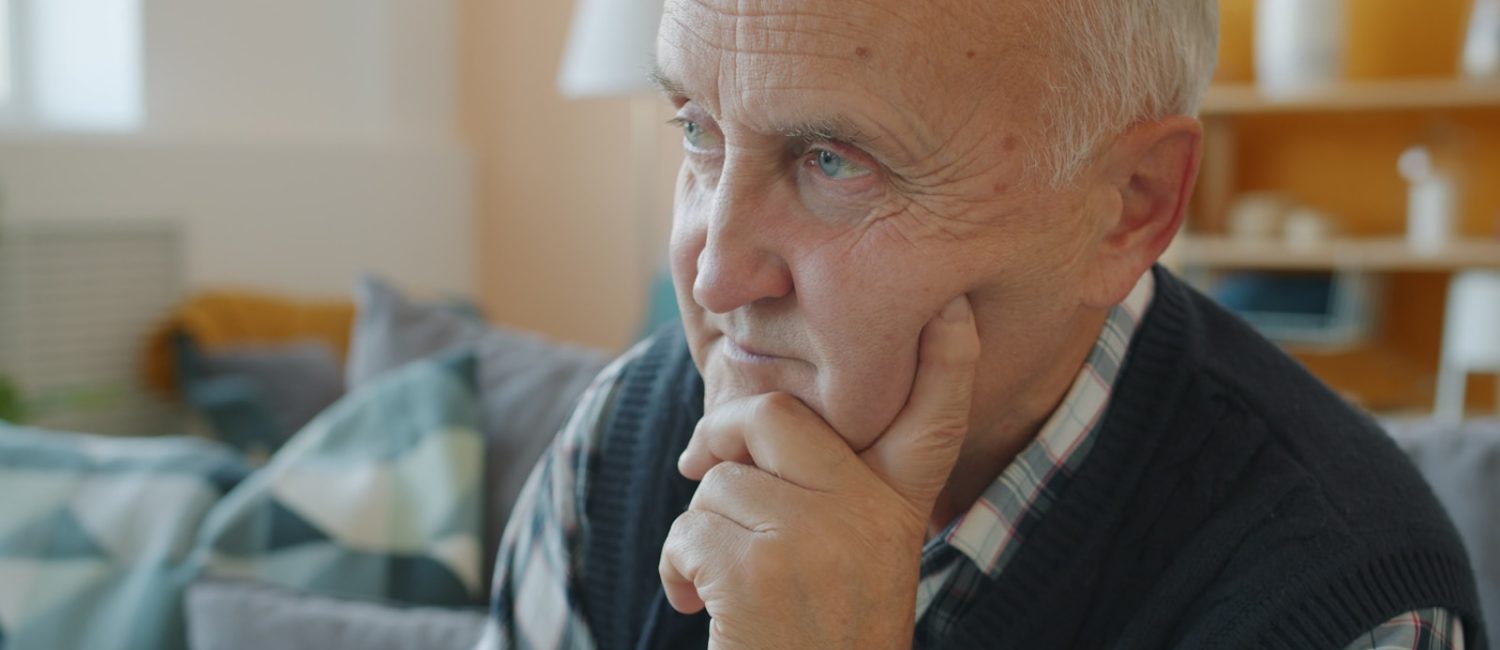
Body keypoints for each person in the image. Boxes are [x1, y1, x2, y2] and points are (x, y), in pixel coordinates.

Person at [479, 0, 1485, 648]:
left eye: (835, 159)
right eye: (698, 130)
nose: (714, 267)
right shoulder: (620, 440)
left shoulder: (1352, 605)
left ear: (1129, 204)